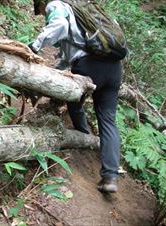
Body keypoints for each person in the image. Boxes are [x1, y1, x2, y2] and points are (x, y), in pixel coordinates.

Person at [29, 0, 122, 193]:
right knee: (108, 120)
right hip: (114, 69)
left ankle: (84, 136)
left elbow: (60, 26)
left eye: (39, 10)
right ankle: (110, 177)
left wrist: (35, 46)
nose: (41, 14)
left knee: (73, 101)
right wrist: (59, 69)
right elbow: (69, 49)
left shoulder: (55, 5)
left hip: (89, 65)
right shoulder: (88, 12)